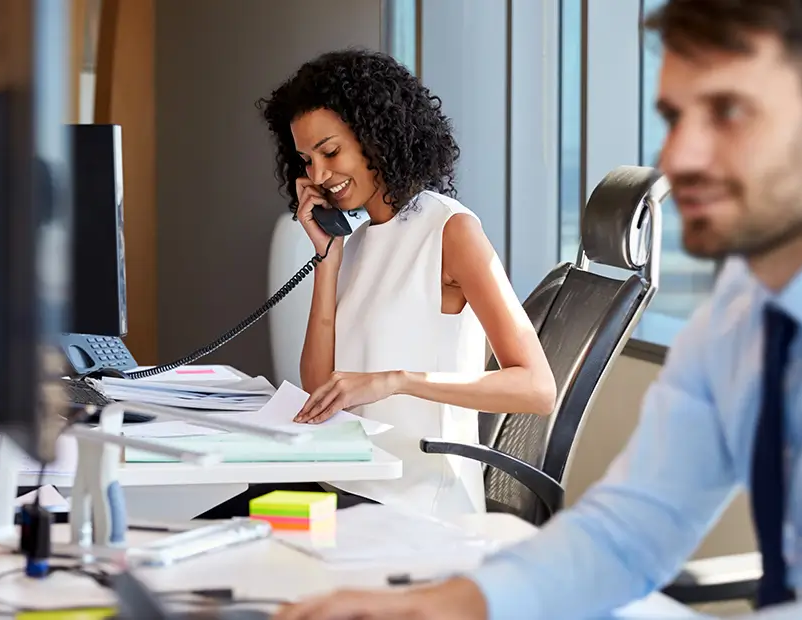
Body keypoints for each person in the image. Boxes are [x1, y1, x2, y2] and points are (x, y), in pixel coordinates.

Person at [274, 1, 802, 619]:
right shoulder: (740, 317)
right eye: (672, 117)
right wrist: (448, 605)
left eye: (727, 111)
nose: (678, 155)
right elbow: (628, 532)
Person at [197, 49, 556, 519]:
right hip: (342, 486)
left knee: (222, 555)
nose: (319, 175)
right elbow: (319, 387)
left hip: (415, 502)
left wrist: (397, 382)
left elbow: (536, 388)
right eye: (306, 159)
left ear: (377, 138)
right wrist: (327, 256)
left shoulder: (451, 230)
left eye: (330, 151)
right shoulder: (360, 239)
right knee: (190, 543)